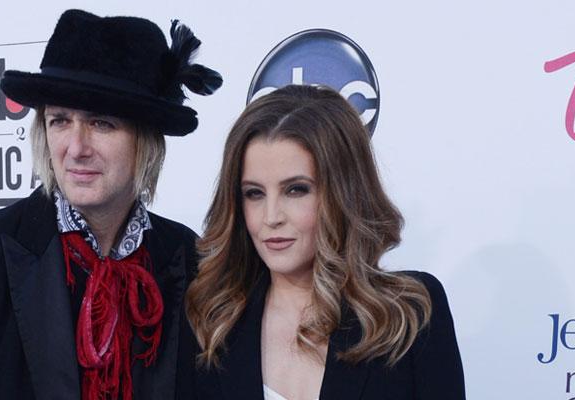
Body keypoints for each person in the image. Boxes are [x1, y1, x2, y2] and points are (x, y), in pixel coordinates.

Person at [0, 9, 221, 400]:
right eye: (59, 120)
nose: (76, 148)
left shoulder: (185, 257)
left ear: (145, 140)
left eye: (101, 123)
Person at [181, 85, 464, 400]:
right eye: (254, 193)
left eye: (296, 190)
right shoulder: (212, 323)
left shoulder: (408, 314)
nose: (271, 217)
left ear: (342, 194)